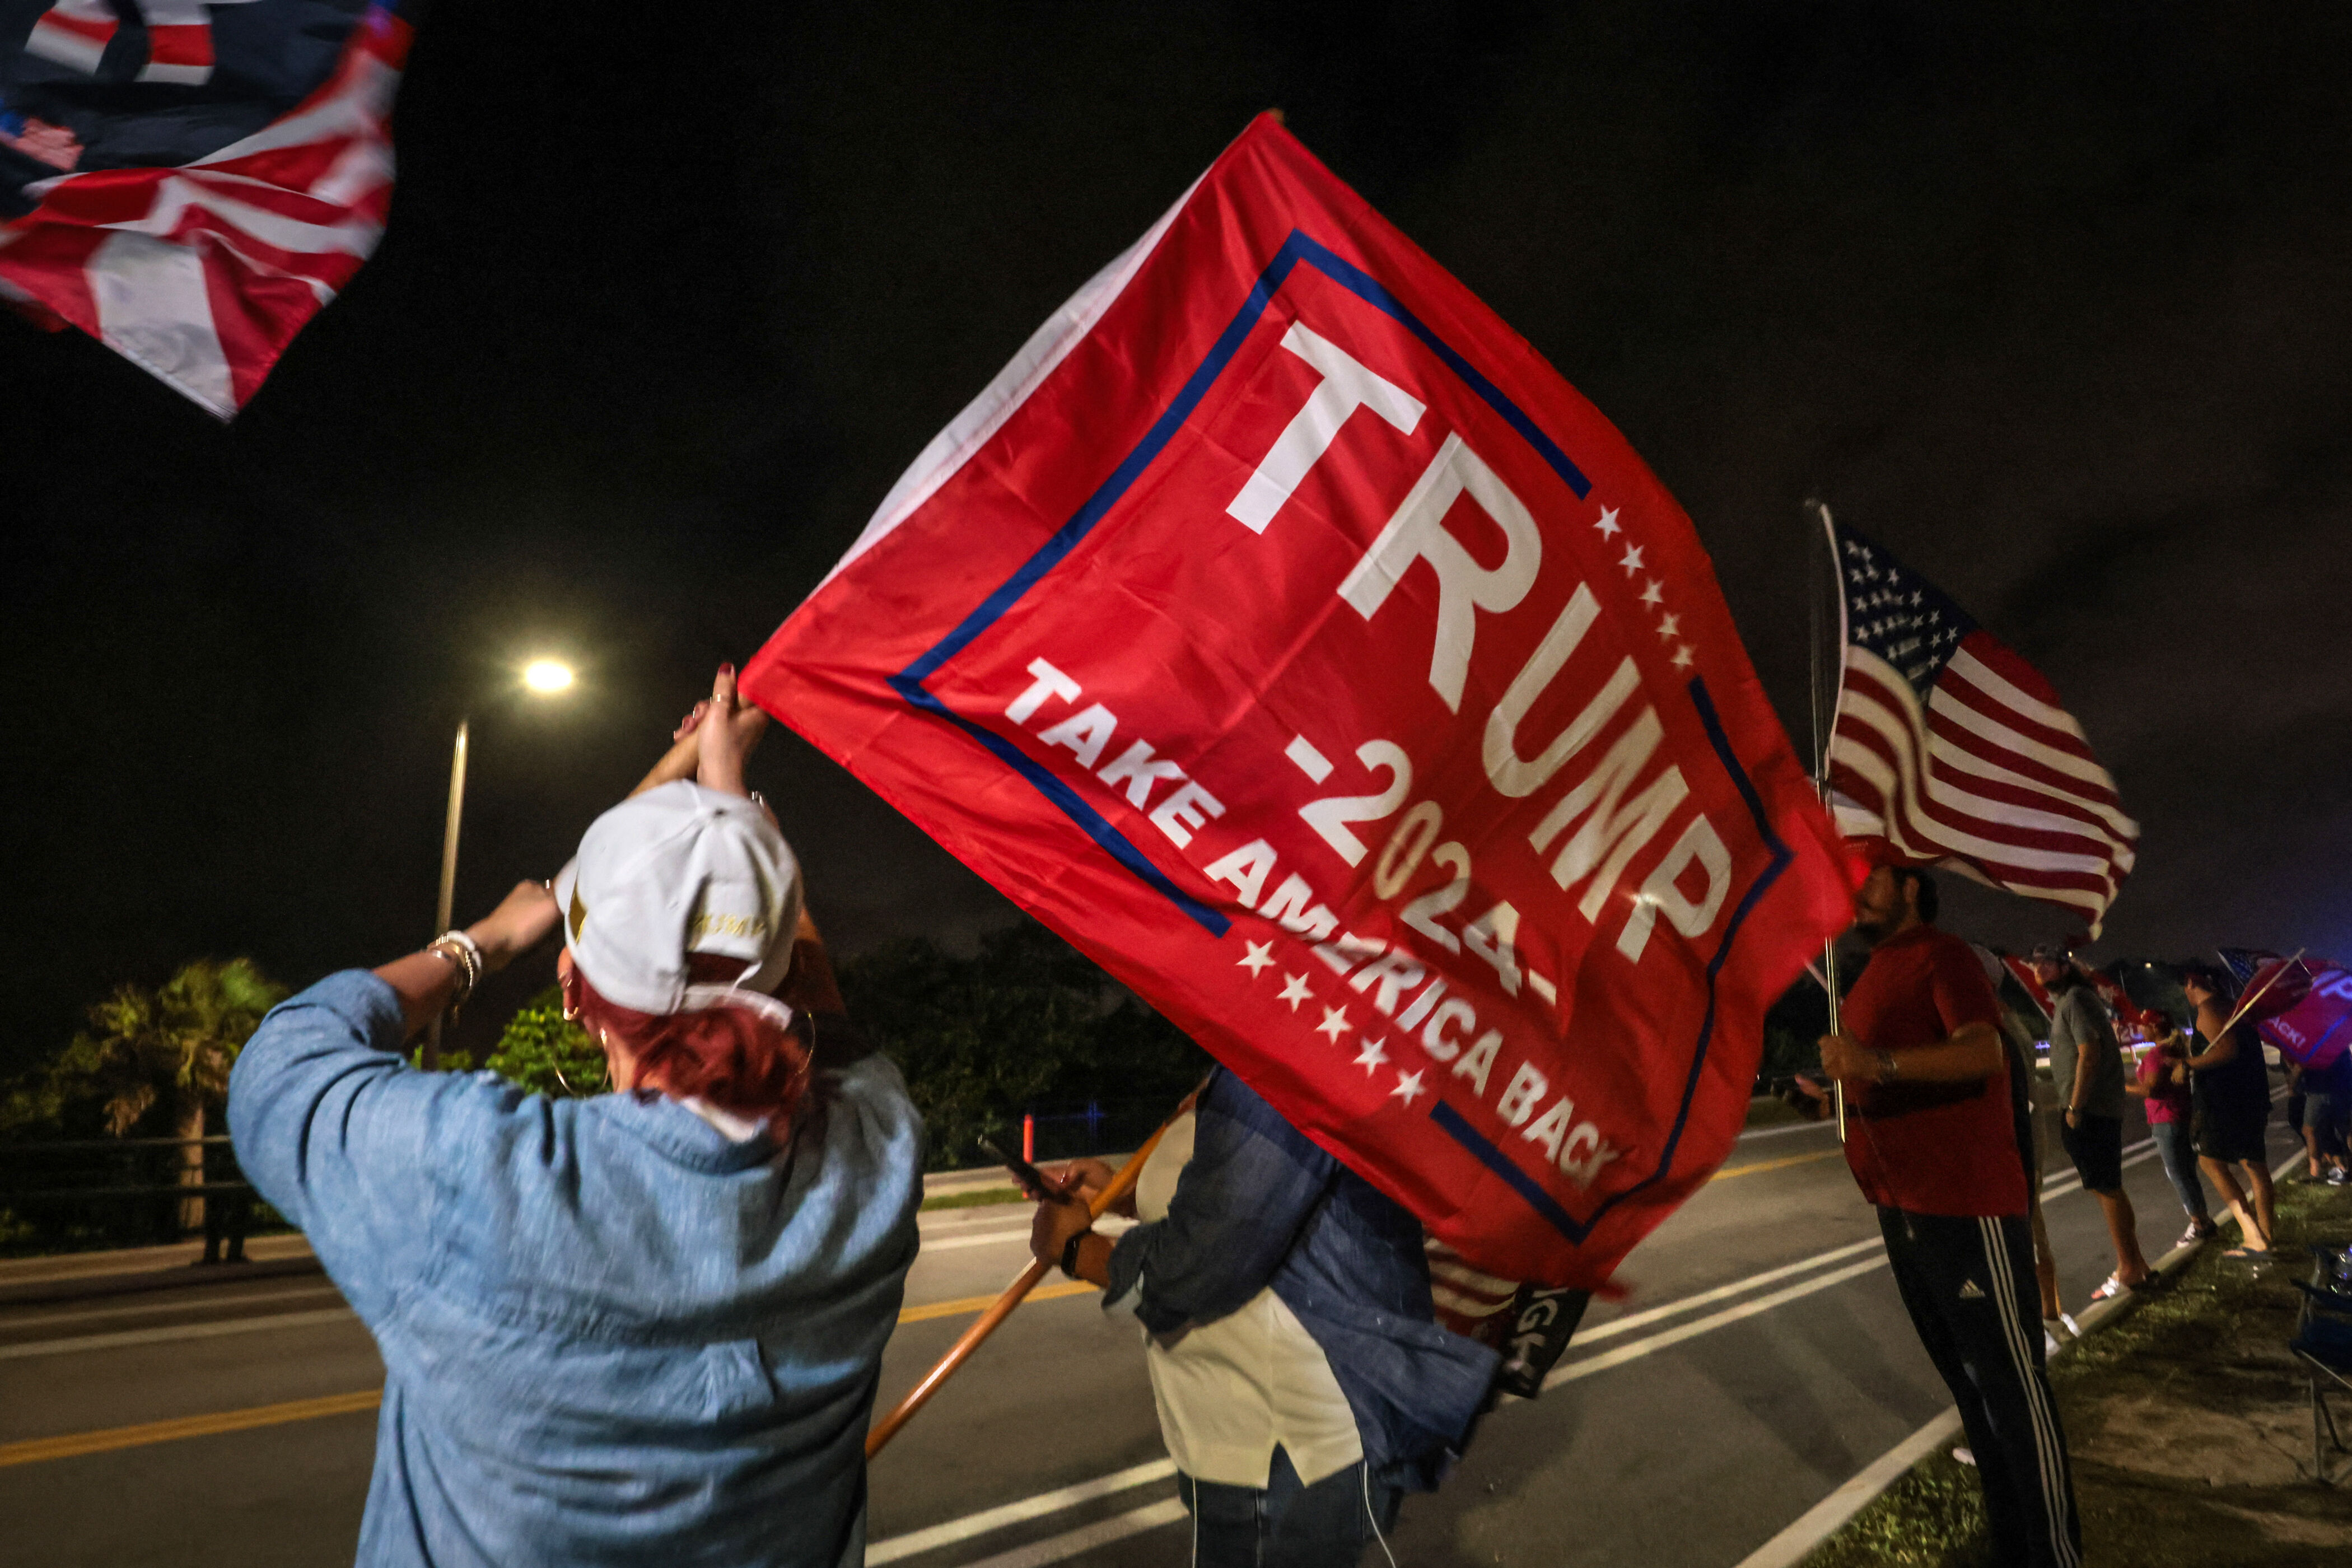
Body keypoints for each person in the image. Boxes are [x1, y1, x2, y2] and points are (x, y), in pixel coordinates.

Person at [228, 668, 923, 1567]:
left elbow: (285, 1062)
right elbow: (815, 1003)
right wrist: (729, 813)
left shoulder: (475, 1177)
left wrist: (484, 940)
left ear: (573, 992)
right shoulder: (876, 1158)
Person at [1030, 1068, 1497, 1567]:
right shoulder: (1233, 1066)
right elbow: (1225, 1193)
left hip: (1287, 1449)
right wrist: (1123, 1192)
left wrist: (1080, 1250)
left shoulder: (1287, 1063)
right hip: (1236, 1435)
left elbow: (1210, 1255)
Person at [1791, 864, 2080, 1568]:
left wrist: (1875, 1062)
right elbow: (1883, 1075)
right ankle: (2011, 1545)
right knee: (1972, 1387)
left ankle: (2055, 1554)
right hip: (1903, 1209)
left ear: (1912, 888)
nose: (1853, 892)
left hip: (1964, 1205)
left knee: (2011, 1386)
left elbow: (1981, 1052)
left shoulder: (1941, 955)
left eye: (1869, 879)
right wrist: (1833, 1096)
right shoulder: (1867, 979)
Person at [2029, 946, 2151, 1298]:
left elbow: (2090, 1050)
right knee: (2108, 1186)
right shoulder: (2073, 1001)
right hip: (2097, 1109)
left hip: (2091, 1110)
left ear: (2067, 968)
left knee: (2105, 1187)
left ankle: (2128, 1267)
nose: (2039, 969)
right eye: (2036, 964)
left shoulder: (2076, 999)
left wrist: (2075, 1107)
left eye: (2047, 963)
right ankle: (2135, 1263)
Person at [2177, 962, 2277, 1259]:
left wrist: (2187, 1064)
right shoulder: (2235, 1006)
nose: (2185, 991)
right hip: (2250, 1097)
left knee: (2210, 1162)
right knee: (2255, 1166)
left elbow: (2226, 1050)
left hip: (2225, 1102)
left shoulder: (2208, 1010)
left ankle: (2252, 1235)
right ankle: (2266, 1237)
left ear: (2193, 984)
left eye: (2186, 985)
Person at [2125, 1012, 2216, 1245]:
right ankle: (2203, 1219)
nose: (2139, 1028)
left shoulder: (2157, 1054)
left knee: (2178, 1174)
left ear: (2155, 1027)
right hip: (2180, 1117)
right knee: (2187, 1173)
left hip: (2166, 1120)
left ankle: (2199, 1224)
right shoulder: (2172, 1050)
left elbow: (2151, 1090)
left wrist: (2122, 1087)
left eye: (2143, 1024)